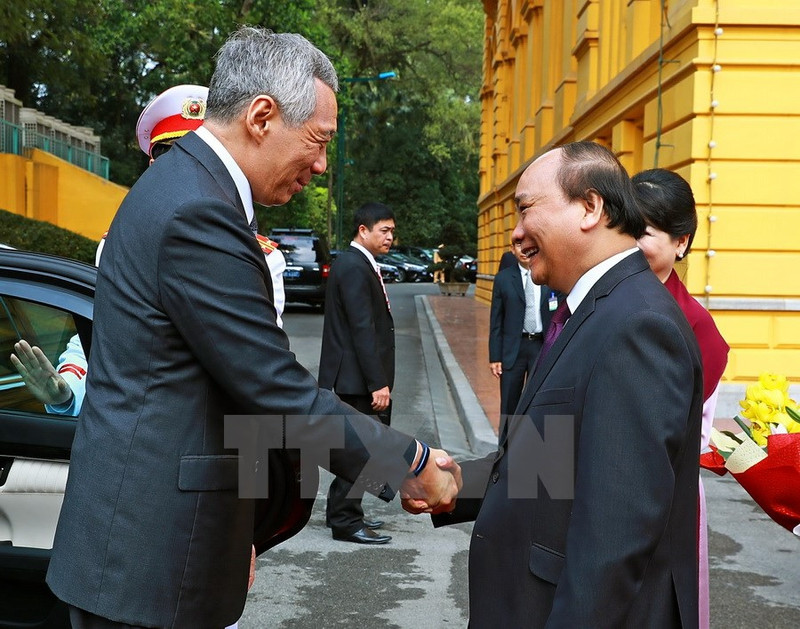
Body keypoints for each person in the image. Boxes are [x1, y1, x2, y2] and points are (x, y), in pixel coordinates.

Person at [45, 27, 460, 629]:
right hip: (149, 561)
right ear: (262, 117)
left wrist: (233, 527)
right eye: (318, 141)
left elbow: (207, 391)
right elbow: (274, 388)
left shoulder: (184, 186)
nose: (321, 165)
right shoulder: (198, 211)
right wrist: (411, 462)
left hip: (154, 545)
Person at [427, 141, 704, 627]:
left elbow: (614, 539)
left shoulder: (638, 324)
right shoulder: (600, 306)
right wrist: (458, 483)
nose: (516, 234)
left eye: (525, 209)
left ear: (590, 207)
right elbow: (559, 455)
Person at [10, 84, 288, 417]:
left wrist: (317, 437)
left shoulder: (264, 258)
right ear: (153, 165)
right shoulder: (115, 246)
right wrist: (65, 393)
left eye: (201, 159)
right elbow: (104, 339)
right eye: (173, 156)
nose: (187, 170)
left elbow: (261, 369)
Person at [633, 167, 730, 629]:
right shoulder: (580, 302)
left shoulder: (696, 329)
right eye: (623, 228)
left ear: (681, 242)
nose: (629, 244)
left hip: (656, 501)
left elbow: (668, 441)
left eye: (644, 232)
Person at [319, 202, 397, 544]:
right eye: (384, 230)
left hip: (355, 375)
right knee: (362, 447)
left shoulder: (359, 263)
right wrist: (377, 382)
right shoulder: (353, 266)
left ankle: (344, 510)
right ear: (363, 230)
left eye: (392, 231)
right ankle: (346, 520)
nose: (390, 237)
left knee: (360, 446)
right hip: (356, 378)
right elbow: (361, 328)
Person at [489, 240, 559, 439]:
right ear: (512, 250)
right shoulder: (503, 279)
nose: (523, 249)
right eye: (518, 245)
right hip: (514, 348)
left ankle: (531, 447)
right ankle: (504, 449)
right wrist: (495, 356)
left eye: (527, 244)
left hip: (541, 346)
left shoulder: (549, 276)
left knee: (538, 399)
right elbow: (496, 320)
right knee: (509, 403)